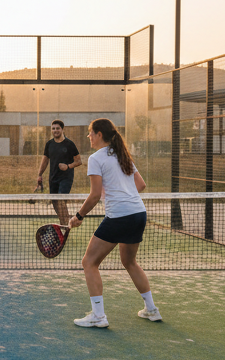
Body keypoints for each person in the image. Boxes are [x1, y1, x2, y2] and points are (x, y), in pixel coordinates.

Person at [67, 118, 161, 328]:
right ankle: (152, 310)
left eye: (91, 132)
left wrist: (78, 217)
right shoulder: (122, 155)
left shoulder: (95, 158)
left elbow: (94, 195)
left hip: (119, 217)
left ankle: (98, 316)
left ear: (100, 134)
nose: (89, 136)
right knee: (130, 262)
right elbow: (140, 184)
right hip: (138, 214)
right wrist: (123, 196)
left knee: (89, 262)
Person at [36, 119, 82, 222]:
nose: (55, 130)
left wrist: (68, 166)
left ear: (62, 129)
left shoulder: (69, 144)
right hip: (53, 178)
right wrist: (40, 174)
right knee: (55, 203)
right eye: (53, 128)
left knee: (61, 201)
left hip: (66, 178)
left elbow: (79, 161)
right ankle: (66, 221)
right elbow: (45, 160)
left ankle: (65, 225)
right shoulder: (49, 144)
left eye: (57, 128)